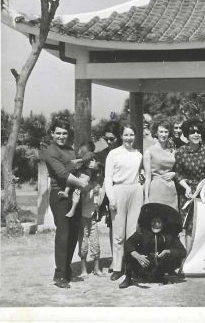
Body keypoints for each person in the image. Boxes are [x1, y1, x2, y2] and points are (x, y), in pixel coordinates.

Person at [42, 119, 91, 288]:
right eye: (58, 133)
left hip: (73, 194)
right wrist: (82, 183)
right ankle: (59, 275)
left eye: (64, 133)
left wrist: (76, 166)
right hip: (60, 195)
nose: (62, 136)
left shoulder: (70, 150)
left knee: (72, 233)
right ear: (52, 134)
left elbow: (75, 166)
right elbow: (62, 173)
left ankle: (67, 269)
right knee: (63, 234)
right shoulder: (50, 151)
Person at [103, 123, 145, 282]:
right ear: (121, 136)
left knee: (132, 233)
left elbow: (142, 173)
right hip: (119, 191)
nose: (129, 138)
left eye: (132, 135)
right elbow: (108, 179)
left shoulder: (138, 154)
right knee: (119, 233)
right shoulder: (113, 154)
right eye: (126, 135)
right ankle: (117, 267)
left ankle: (130, 267)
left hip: (135, 191)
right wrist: (111, 199)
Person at [119, 203, 186, 288]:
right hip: (143, 265)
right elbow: (128, 243)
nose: (156, 225)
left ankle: (160, 277)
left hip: (159, 267)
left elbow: (183, 251)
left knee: (174, 256)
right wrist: (137, 256)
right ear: (150, 222)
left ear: (163, 224)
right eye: (154, 222)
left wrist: (168, 252)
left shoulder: (169, 235)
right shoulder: (143, 232)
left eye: (159, 222)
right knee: (129, 252)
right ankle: (128, 279)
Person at [174, 119, 205, 232]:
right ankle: (189, 251)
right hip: (188, 194)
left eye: (198, 132)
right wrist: (186, 187)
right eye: (192, 132)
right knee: (189, 229)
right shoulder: (180, 152)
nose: (196, 135)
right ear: (187, 134)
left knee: (204, 228)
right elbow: (177, 173)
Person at [73, 140, 103, 278]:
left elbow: (97, 190)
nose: (82, 155)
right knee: (83, 242)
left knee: (95, 241)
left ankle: (97, 268)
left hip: (92, 214)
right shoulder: (79, 174)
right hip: (82, 214)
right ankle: (84, 269)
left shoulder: (95, 173)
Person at [94, 121, 121, 261]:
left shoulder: (126, 151)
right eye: (107, 139)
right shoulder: (100, 155)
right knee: (113, 226)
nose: (109, 142)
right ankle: (115, 259)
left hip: (125, 191)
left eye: (112, 139)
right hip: (110, 195)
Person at [143, 120, 179, 210]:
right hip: (156, 190)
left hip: (170, 189)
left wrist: (174, 174)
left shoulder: (173, 151)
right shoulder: (149, 151)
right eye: (161, 131)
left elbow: (179, 170)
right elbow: (147, 176)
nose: (163, 134)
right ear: (156, 133)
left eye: (166, 132)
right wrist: (146, 198)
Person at [62, 141, 98, 218]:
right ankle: (66, 192)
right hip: (80, 175)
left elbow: (86, 158)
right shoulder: (82, 156)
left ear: (87, 149)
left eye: (81, 149)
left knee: (77, 191)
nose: (79, 150)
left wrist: (77, 160)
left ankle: (72, 209)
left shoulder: (90, 154)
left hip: (85, 176)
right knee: (70, 180)